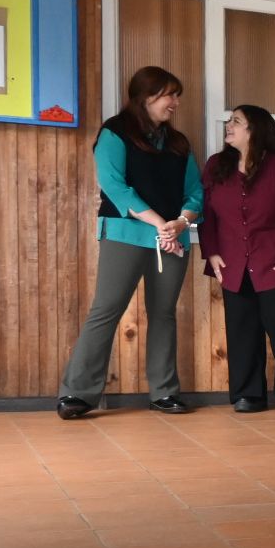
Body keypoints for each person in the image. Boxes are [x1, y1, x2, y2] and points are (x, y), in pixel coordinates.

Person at [58, 66, 202, 419]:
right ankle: (78, 393)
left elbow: (195, 192)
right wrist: (161, 224)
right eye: (170, 94)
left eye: (177, 95)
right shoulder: (115, 132)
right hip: (126, 233)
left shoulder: (179, 143)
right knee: (106, 310)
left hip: (172, 238)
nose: (175, 102)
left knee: (164, 314)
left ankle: (164, 393)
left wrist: (181, 222)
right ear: (146, 96)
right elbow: (115, 186)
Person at [197, 105, 275, 413]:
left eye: (236, 121)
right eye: (229, 121)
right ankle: (248, 394)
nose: (229, 125)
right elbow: (207, 214)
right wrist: (211, 251)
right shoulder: (216, 165)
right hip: (231, 260)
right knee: (241, 327)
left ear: (255, 129)